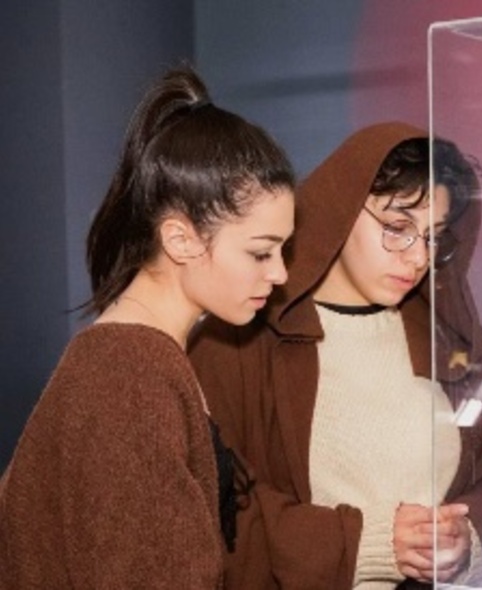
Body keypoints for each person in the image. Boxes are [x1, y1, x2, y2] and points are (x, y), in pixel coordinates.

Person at [189, 121, 482, 589]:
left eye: (433, 236)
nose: (417, 256)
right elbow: (210, 513)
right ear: (340, 210)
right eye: (398, 227)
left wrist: (470, 538)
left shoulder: (455, 340)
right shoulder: (238, 342)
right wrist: (370, 545)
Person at [0, 66, 296, 589]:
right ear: (181, 240)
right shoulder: (130, 373)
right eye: (260, 251)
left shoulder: (133, 355)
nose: (279, 273)